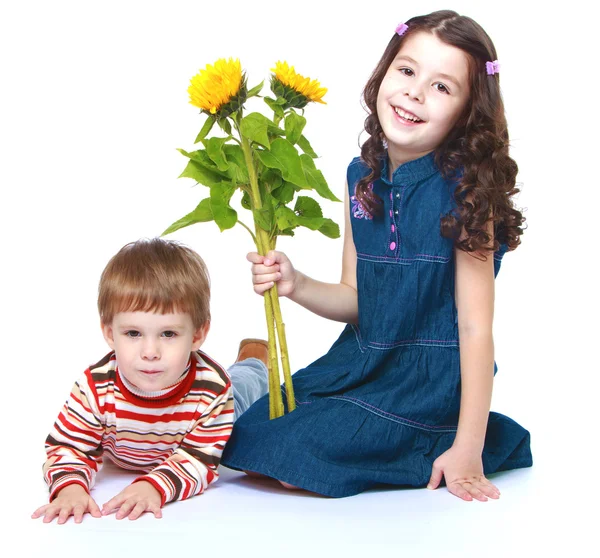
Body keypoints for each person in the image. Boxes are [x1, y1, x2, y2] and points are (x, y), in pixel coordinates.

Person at [221, 9, 532, 501]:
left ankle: (462, 435)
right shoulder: (359, 177)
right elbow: (357, 299)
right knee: (252, 434)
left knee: (296, 458)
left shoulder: (469, 194)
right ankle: (255, 376)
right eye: (407, 71)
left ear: (466, 113)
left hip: (427, 382)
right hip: (365, 361)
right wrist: (295, 283)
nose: (414, 92)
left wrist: (468, 445)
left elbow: (475, 328)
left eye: (442, 87)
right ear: (385, 72)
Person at [31, 238, 268, 523]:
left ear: (197, 335)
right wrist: (69, 487)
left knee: (245, 385)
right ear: (109, 333)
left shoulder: (213, 390)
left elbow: (199, 459)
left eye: (168, 334)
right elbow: (68, 446)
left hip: (226, 407)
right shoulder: (94, 388)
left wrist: (153, 485)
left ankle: (255, 358)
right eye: (133, 334)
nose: (150, 353)